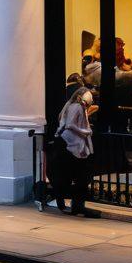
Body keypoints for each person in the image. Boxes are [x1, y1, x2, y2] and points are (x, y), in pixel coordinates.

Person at [54, 86, 100, 218]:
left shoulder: (76, 106)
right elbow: (70, 125)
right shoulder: (77, 106)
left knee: (78, 176)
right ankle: (77, 204)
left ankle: (76, 204)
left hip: (73, 144)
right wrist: (86, 131)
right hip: (73, 144)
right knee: (81, 176)